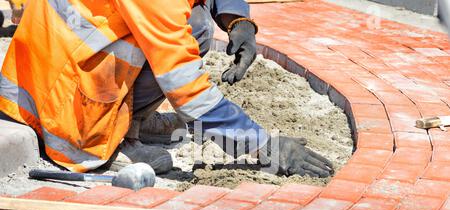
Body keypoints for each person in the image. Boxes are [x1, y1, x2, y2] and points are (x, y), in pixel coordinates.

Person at [0, 0, 333, 178]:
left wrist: (237, 20)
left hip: (57, 59)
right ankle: (111, 140)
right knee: (187, 34)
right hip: (64, 96)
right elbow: (186, 86)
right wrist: (262, 145)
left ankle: (131, 120)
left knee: (199, 20)